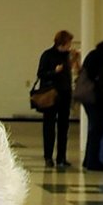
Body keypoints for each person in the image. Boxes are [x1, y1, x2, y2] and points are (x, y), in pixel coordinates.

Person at [79, 38, 103, 171]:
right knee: (97, 130)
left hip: (89, 99)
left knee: (93, 130)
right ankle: (92, 161)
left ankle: (89, 160)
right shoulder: (100, 60)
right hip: (96, 100)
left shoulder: (93, 56)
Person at [36, 29, 74, 168]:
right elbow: (41, 73)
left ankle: (61, 157)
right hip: (51, 95)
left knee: (64, 127)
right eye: (68, 42)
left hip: (65, 94)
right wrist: (54, 72)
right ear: (62, 42)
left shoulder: (67, 56)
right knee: (49, 127)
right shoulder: (48, 55)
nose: (70, 45)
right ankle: (48, 157)